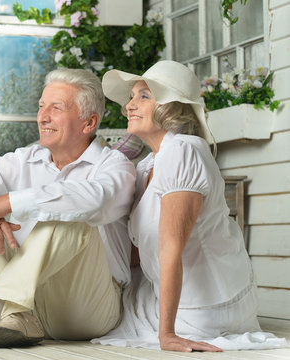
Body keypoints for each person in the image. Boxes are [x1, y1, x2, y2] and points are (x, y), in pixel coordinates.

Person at [0, 68, 136, 348]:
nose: (42, 117)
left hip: (87, 306)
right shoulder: (25, 159)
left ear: (88, 122)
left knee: (69, 210)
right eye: (41, 106)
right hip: (27, 305)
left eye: (56, 108)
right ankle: (7, 311)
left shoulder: (114, 166)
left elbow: (95, 200)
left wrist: (5, 203)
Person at [92, 60, 288, 351]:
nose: (129, 106)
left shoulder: (182, 151)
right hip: (176, 295)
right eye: (132, 97)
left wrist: (167, 334)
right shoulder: (149, 164)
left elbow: (171, 246)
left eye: (144, 96)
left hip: (206, 307)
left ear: (170, 108)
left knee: (93, 312)